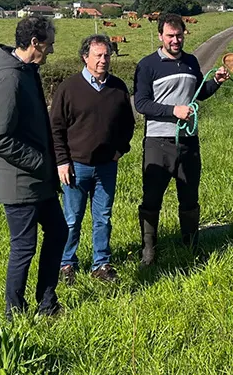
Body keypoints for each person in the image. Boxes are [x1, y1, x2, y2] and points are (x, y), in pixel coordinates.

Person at [0, 16, 67, 319]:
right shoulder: (8, 78)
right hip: (20, 182)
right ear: (35, 42)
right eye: (50, 44)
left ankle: (48, 304)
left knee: (58, 232)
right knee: (24, 248)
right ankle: (14, 314)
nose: (52, 51)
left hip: (38, 181)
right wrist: (41, 162)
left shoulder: (27, 72)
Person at [133, 13, 229, 265]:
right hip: (158, 142)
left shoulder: (191, 62)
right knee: (152, 198)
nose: (175, 40)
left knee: (189, 197)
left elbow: (198, 93)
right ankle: (149, 251)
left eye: (179, 35)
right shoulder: (147, 65)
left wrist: (215, 83)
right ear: (160, 36)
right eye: (170, 36)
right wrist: (172, 110)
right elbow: (141, 103)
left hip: (188, 142)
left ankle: (190, 246)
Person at [50, 34, 136, 284]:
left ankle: (101, 264)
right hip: (76, 166)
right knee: (71, 219)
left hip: (107, 166)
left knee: (103, 217)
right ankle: (67, 264)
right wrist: (62, 161)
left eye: (107, 55)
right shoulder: (69, 88)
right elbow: (55, 127)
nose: (103, 60)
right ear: (85, 57)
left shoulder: (118, 87)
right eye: (98, 55)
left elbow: (128, 124)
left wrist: (121, 149)